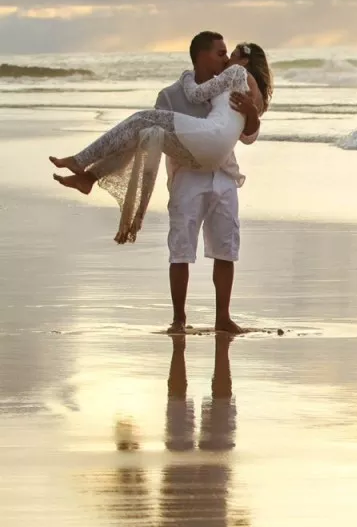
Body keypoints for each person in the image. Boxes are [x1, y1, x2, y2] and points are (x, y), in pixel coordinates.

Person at [51, 31, 272, 333]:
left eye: (228, 53)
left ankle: (223, 317)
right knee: (181, 248)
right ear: (201, 55)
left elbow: (248, 136)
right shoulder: (171, 94)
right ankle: (179, 319)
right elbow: (148, 140)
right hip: (187, 176)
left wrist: (251, 114)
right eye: (220, 53)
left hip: (224, 172)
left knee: (225, 247)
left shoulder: (232, 81)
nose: (225, 58)